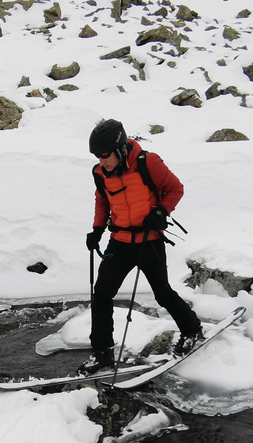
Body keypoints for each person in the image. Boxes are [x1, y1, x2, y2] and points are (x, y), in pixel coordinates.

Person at [79, 119, 204, 375]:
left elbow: (174, 189)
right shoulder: (100, 173)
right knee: (101, 293)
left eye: (105, 155)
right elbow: (103, 201)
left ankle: (193, 330)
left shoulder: (148, 163)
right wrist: (97, 229)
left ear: (121, 148)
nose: (102, 161)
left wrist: (160, 211)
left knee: (162, 293)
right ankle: (102, 353)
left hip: (149, 240)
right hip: (121, 241)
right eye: (97, 156)